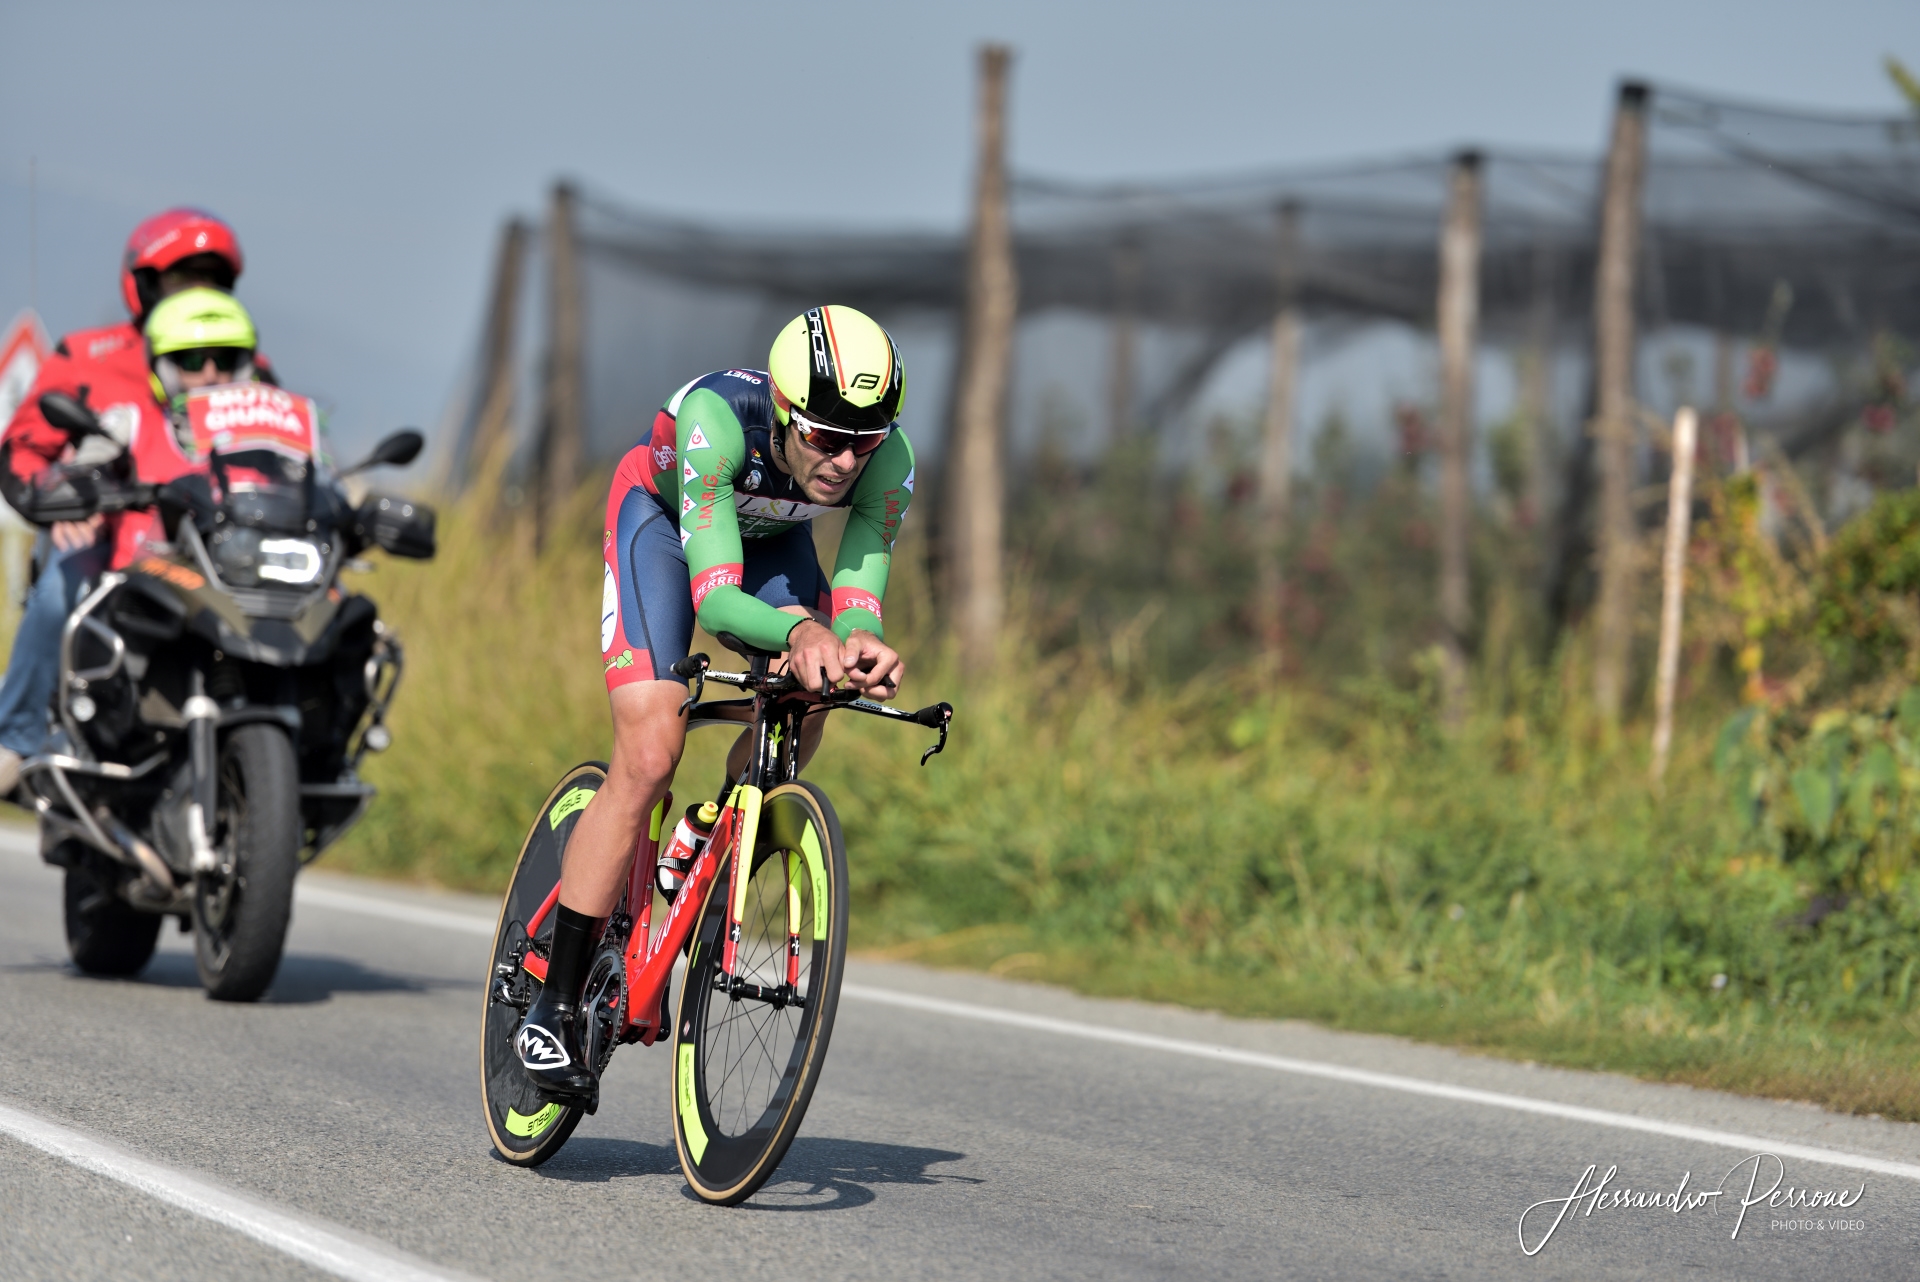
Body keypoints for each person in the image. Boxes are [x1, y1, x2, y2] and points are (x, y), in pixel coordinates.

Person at [516, 305, 915, 1102]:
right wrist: (801, 629)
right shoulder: (716, 420)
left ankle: (714, 832)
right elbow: (718, 601)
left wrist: (856, 644)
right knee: (650, 753)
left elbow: (857, 601)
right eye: (824, 437)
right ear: (784, 410)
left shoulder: (888, 459)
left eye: (863, 442)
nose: (844, 462)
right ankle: (552, 1009)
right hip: (665, 530)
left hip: (770, 547)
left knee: (816, 688)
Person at [0, 289, 261, 789]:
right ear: (164, 366)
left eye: (225, 360)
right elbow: (82, 466)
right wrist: (77, 500)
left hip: (231, 575)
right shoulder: (132, 418)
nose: (210, 373)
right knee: (57, 595)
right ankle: (18, 737)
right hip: (144, 573)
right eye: (192, 361)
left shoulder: (263, 436)